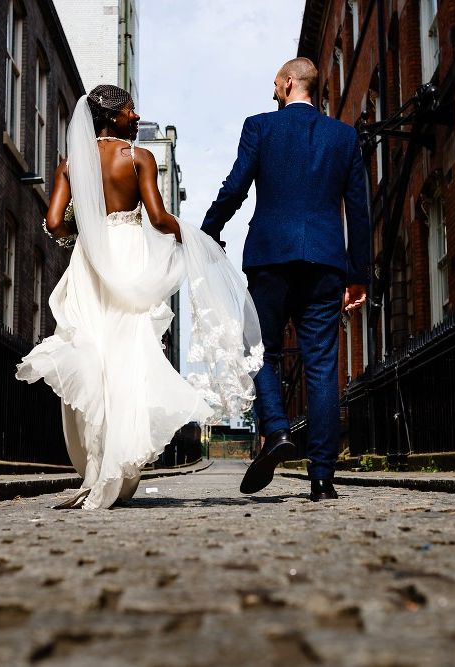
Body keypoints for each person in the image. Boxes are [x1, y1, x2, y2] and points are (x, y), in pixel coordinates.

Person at [16, 85, 263, 510]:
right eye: (130, 109)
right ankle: (118, 469)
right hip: (129, 254)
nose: (136, 115)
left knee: (93, 352)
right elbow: (159, 218)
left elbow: (54, 223)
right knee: (126, 355)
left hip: (91, 259)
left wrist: (89, 230)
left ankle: (94, 469)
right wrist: (197, 238)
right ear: (112, 116)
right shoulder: (138, 158)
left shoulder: (71, 165)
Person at [201, 58, 370, 501]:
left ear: (289, 83)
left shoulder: (260, 128)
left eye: (275, 84)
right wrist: (359, 273)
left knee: (259, 350)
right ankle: (321, 477)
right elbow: (359, 208)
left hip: (270, 258)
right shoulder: (344, 136)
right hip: (326, 261)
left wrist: (209, 229)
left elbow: (236, 185)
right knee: (321, 366)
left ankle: (275, 430)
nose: (273, 90)